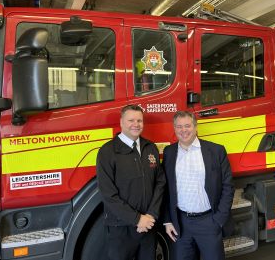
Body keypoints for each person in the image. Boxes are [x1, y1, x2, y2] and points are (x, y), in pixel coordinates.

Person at [96, 104, 166, 260]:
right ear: (121, 122)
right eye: (131, 120)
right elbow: (107, 194)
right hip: (121, 228)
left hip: (149, 225)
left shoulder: (150, 147)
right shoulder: (107, 152)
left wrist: (151, 215)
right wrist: (137, 219)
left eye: (139, 120)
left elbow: (160, 183)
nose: (136, 124)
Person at [163, 111, 235, 260]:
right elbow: (165, 190)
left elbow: (228, 186)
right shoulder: (169, 152)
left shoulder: (216, 151)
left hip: (209, 222)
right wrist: (168, 220)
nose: (184, 130)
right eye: (179, 126)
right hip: (180, 224)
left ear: (196, 127)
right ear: (174, 129)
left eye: (188, 125)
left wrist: (219, 220)